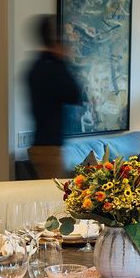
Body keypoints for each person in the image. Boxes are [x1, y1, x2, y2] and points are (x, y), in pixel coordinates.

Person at [26, 15, 82, 179]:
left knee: (55, 198)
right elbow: (74, 94)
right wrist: (62, 61)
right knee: (57, 199)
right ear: (55, 41)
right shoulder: (49, 69)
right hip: (47, 148)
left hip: (45, 146)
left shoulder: (38, 66)